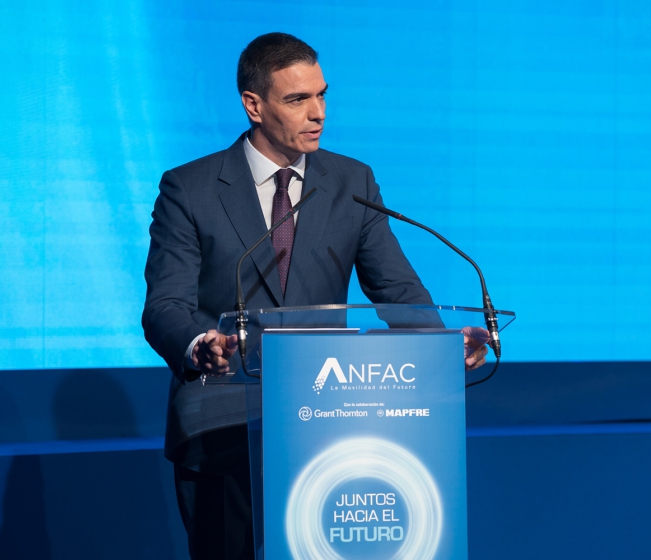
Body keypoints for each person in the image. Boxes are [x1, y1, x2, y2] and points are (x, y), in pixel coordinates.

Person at [142, 32, 488, 560]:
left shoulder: (352, 182)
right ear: (254, 105)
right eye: (298, 99)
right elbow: (165, 306)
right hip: (222, 423)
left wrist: (442, 346)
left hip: (326, 424)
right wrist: (199, 345)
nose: (318, 113)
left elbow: (396, 289)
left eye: (322, 95)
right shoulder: (190, 188)